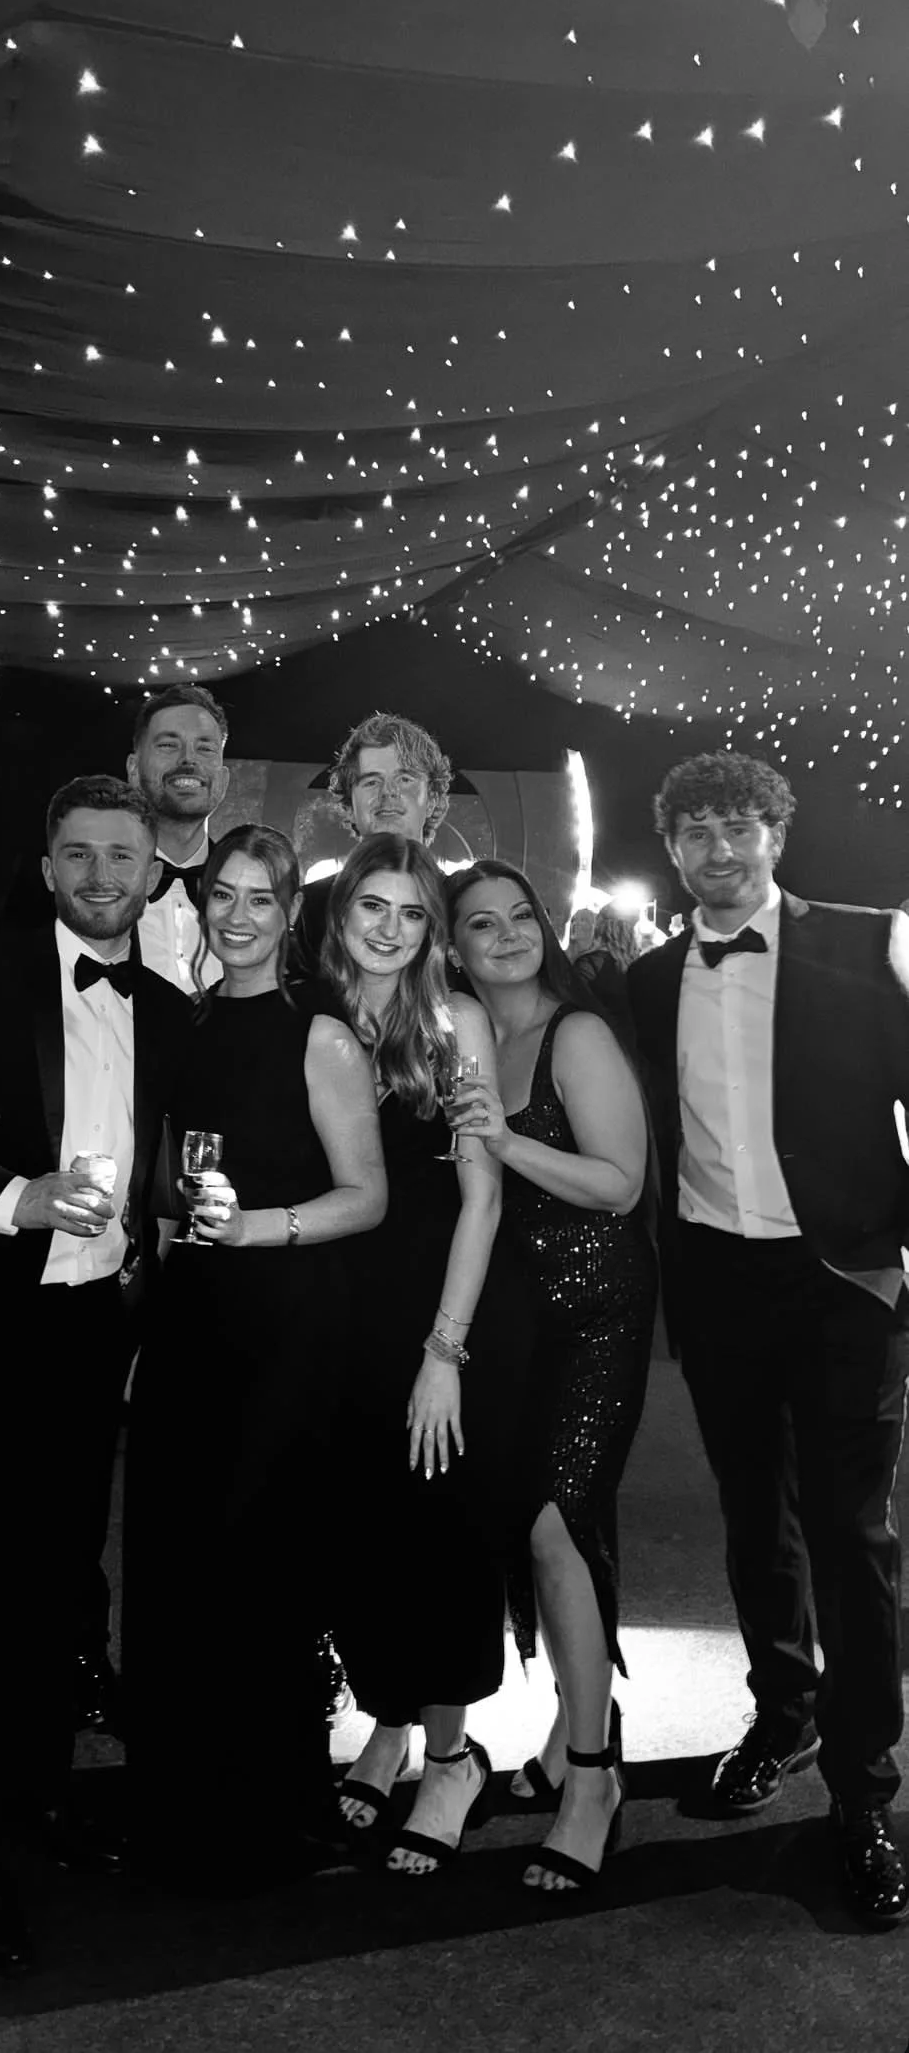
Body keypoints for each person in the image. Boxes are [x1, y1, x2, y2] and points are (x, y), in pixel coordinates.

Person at [0, 775, 190, 1971]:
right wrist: (12, 1197)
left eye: (124, 854)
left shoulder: (166, 1010)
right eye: (81, 853)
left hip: (90, 1338)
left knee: (60, 1580)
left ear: (154, 872)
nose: (105, 873)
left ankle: (38, 1794)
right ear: (48, 867)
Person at [627, 750, 909, 1931]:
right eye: (696, 832)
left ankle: (865, 1790)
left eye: (740, 826)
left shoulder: (872, 940)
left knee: (853, 1534)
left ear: (777, 836)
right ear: (673, 851)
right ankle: (781, 1715)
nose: (720, 850)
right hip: (721, 1284)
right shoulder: (645, 982)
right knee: (756, 1518)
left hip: (844, 1280)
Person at [121, 823, 386, 1890]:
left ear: (289, 917)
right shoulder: (180, 1023)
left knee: (266, 1560)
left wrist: (257, 1228)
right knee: (179, 1551)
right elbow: (160, 1180)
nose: (236, 916)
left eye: (260, 901)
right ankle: (181, 1798)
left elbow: (368, 1196)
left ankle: (279, 1803)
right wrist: (169, 1229)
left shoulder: (317, 1032)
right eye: (222, 897)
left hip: (287, 1326)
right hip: (192, 1319)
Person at [447, 862, 656, 1897]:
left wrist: (500, 1145)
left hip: (599, 1309)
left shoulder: (573, 1032)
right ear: (457, 944)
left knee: (557, 1524)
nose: (508, 935)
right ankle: (577, 1733)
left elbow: (620, 1186)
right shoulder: (471, 1039)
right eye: (481, 924)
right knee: (531, 1531)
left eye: (520, 915)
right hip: (515, 1320)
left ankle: (591, 1778)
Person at [322, 833, 524, 1877]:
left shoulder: (457, 1025)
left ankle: (451, 1756)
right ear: (344, 913)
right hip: (331, 1320)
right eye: (375, 910)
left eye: (412, 914)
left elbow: (482, 1196)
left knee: (437, 1537)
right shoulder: (313, 1016)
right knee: (359, 1539)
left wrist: (445, 1350)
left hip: (430, 1315)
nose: (392, 929)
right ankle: (388, 1726)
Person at [292, 711, 455, 976]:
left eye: (405, 779)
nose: (388, 792)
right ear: (348, 806)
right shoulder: (309, 909)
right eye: (371, 781)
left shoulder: (460, 902)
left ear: (434, 799)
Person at [126, 685, 230, 991]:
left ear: (223, 780)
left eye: (205, 748)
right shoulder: (90, 889)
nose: (188, 759)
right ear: (133, 769)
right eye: (168, 745)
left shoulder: (257, 897)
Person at [572, 903, 638, 1031]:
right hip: (632, 1041)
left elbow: (575, 1007)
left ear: (601, 928)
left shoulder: (589, 964)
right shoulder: (639, 966)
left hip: (599, 1038)